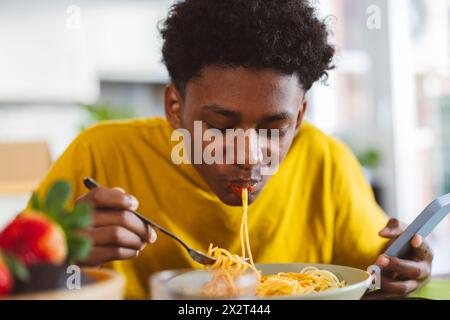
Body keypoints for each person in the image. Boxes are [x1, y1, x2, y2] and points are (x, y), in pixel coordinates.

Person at [32, 0, 432, 299]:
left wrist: (400, 269)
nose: (250, 156)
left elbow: (373, 274)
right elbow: (14, 274)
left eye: (275, 129)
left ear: (300, 114)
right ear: (175, 108)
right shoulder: (103, 153)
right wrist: (64, 259)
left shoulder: (326, 163)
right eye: (220, 127)